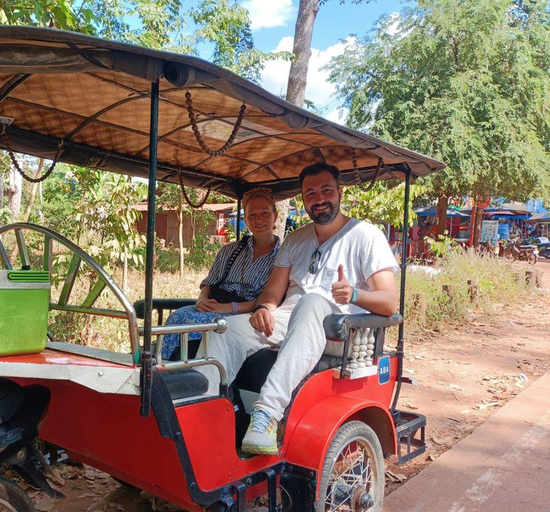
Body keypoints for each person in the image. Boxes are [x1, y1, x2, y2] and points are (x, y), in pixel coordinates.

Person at [199, 163, 399, 454]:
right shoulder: (296, 240)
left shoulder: (366, 236)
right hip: (288, 320)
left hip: (340, 331)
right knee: (225, 330)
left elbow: (390, 301)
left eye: (326, 190)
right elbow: (272, 292)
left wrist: (355, 293)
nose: (319, 199)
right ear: (303, 200)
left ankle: (267, 413)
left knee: (312, 301)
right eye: (310, 193)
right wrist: (264, 308)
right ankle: (208, 412)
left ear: (339, 192)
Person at [160, 188, 281, 360]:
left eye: (265, 213)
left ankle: (194, 372)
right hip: (216, 304)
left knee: (203, 325)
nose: (258, 219)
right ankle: (163, 370)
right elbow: (210, 283)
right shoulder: (230, 250)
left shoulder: (282, 256)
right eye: (252, 215)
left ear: (275, 216)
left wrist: (229, 308)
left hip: (248, 312)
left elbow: (271, 298)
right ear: (245, 219)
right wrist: (202, 300)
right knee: (178, 316)